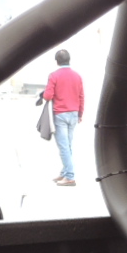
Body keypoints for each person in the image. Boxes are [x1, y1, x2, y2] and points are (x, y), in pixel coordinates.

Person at [40, 48, 84, 186]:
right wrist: (80, 113)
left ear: (57, 61)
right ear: (69, 60)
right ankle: (65, 172)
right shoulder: (77, 76)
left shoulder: (54, 76)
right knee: (68, 145)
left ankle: (70, 176)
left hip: (60, 114)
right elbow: (81, 96)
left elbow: (48, 96)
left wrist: (43, 94)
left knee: (64, 147)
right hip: (74, 113)